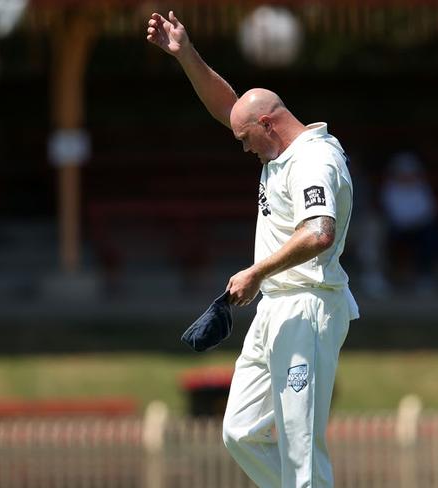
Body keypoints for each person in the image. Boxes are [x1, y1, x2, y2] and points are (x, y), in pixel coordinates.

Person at [147, 11, 359, 487]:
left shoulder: (314, 160)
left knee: (301, 444)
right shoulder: (277, 146)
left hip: (308, 306)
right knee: (240, 431)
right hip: (274, 307)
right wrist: (186, 55)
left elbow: (318, 233)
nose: (243, 148)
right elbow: (230, 106)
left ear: (269, 123)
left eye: (246, 139)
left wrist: (256, 272)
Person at [380, 151, 438, 293]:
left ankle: (425, 275)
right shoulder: (390, 189)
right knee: (387, 237)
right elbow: (392, 212)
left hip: (419, 228)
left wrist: (415, 222)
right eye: (403, 173)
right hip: (398, 229)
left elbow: (428, 211)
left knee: (432, 235)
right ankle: (393, 275)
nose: (406, 176)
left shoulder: (421, 188)